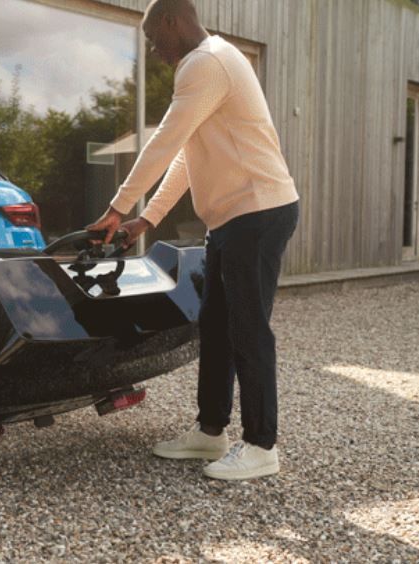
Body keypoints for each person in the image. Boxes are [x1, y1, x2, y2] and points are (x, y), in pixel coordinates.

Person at [87, 0, 299, 481]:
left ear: (171, 21)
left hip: (259, 211)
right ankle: (210, 432)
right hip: (231, 218)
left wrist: (119, 206)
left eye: (153, 39)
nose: (155, 52)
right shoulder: (210, 63)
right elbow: (186, 155)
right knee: (217, 324)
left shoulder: (207, 63)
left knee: (248, 329)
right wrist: (147, 218)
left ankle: (262, 446)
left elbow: (164, 140)